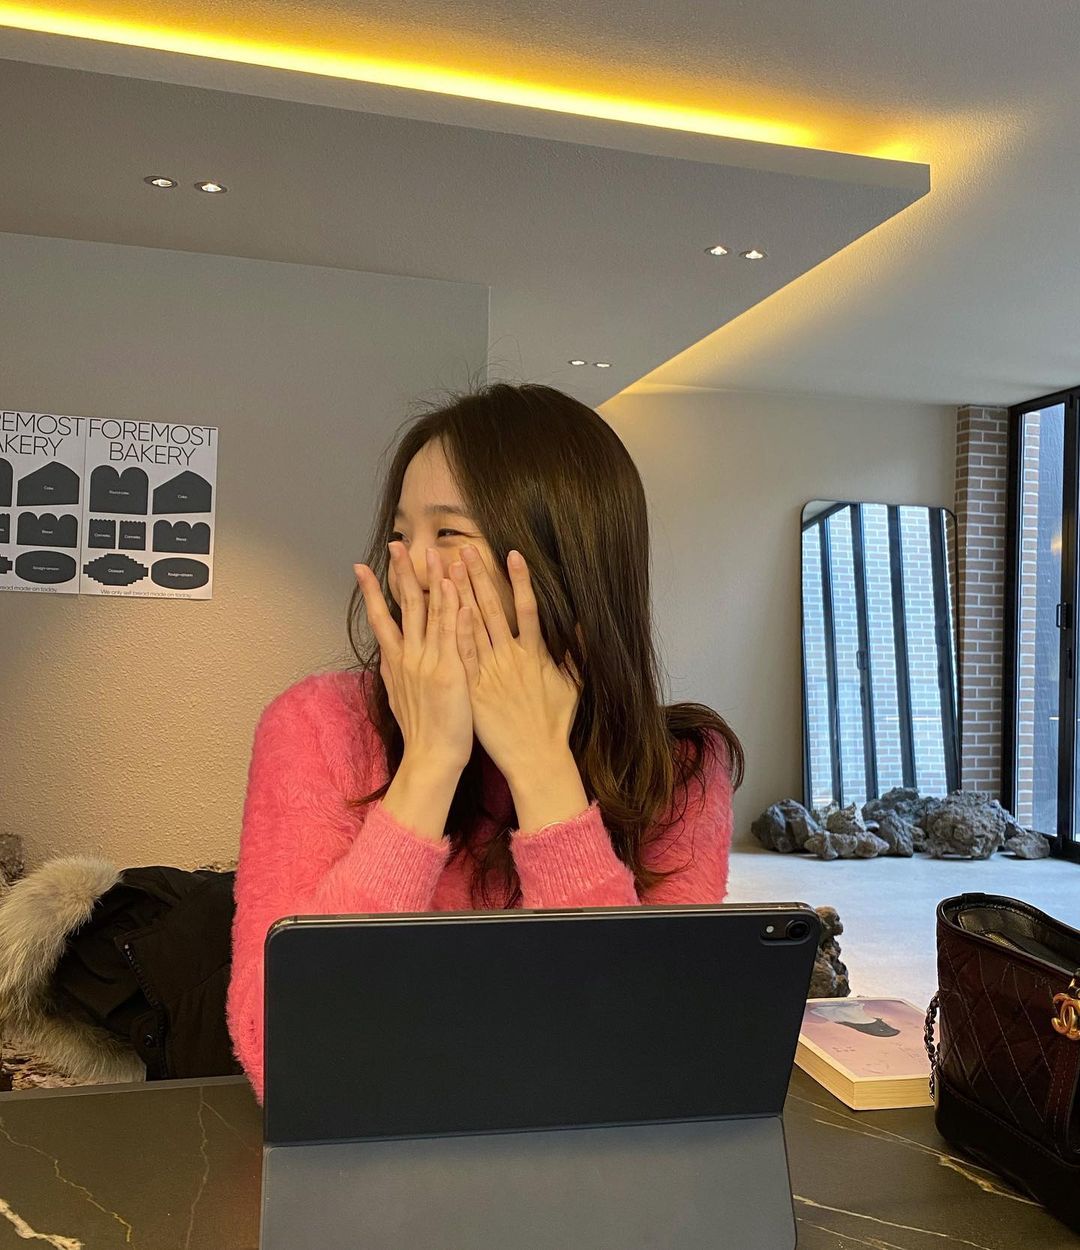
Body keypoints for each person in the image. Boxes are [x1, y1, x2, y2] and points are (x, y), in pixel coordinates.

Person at [226, 381, 744, 1103]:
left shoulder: (679, 767)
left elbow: (639, 1054)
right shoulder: (316, 724)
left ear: (564, 562)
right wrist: (429, 765)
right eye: (401, 534)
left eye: (449, 534)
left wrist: (541, 770)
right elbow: (282, 1055)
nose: (407, 566)